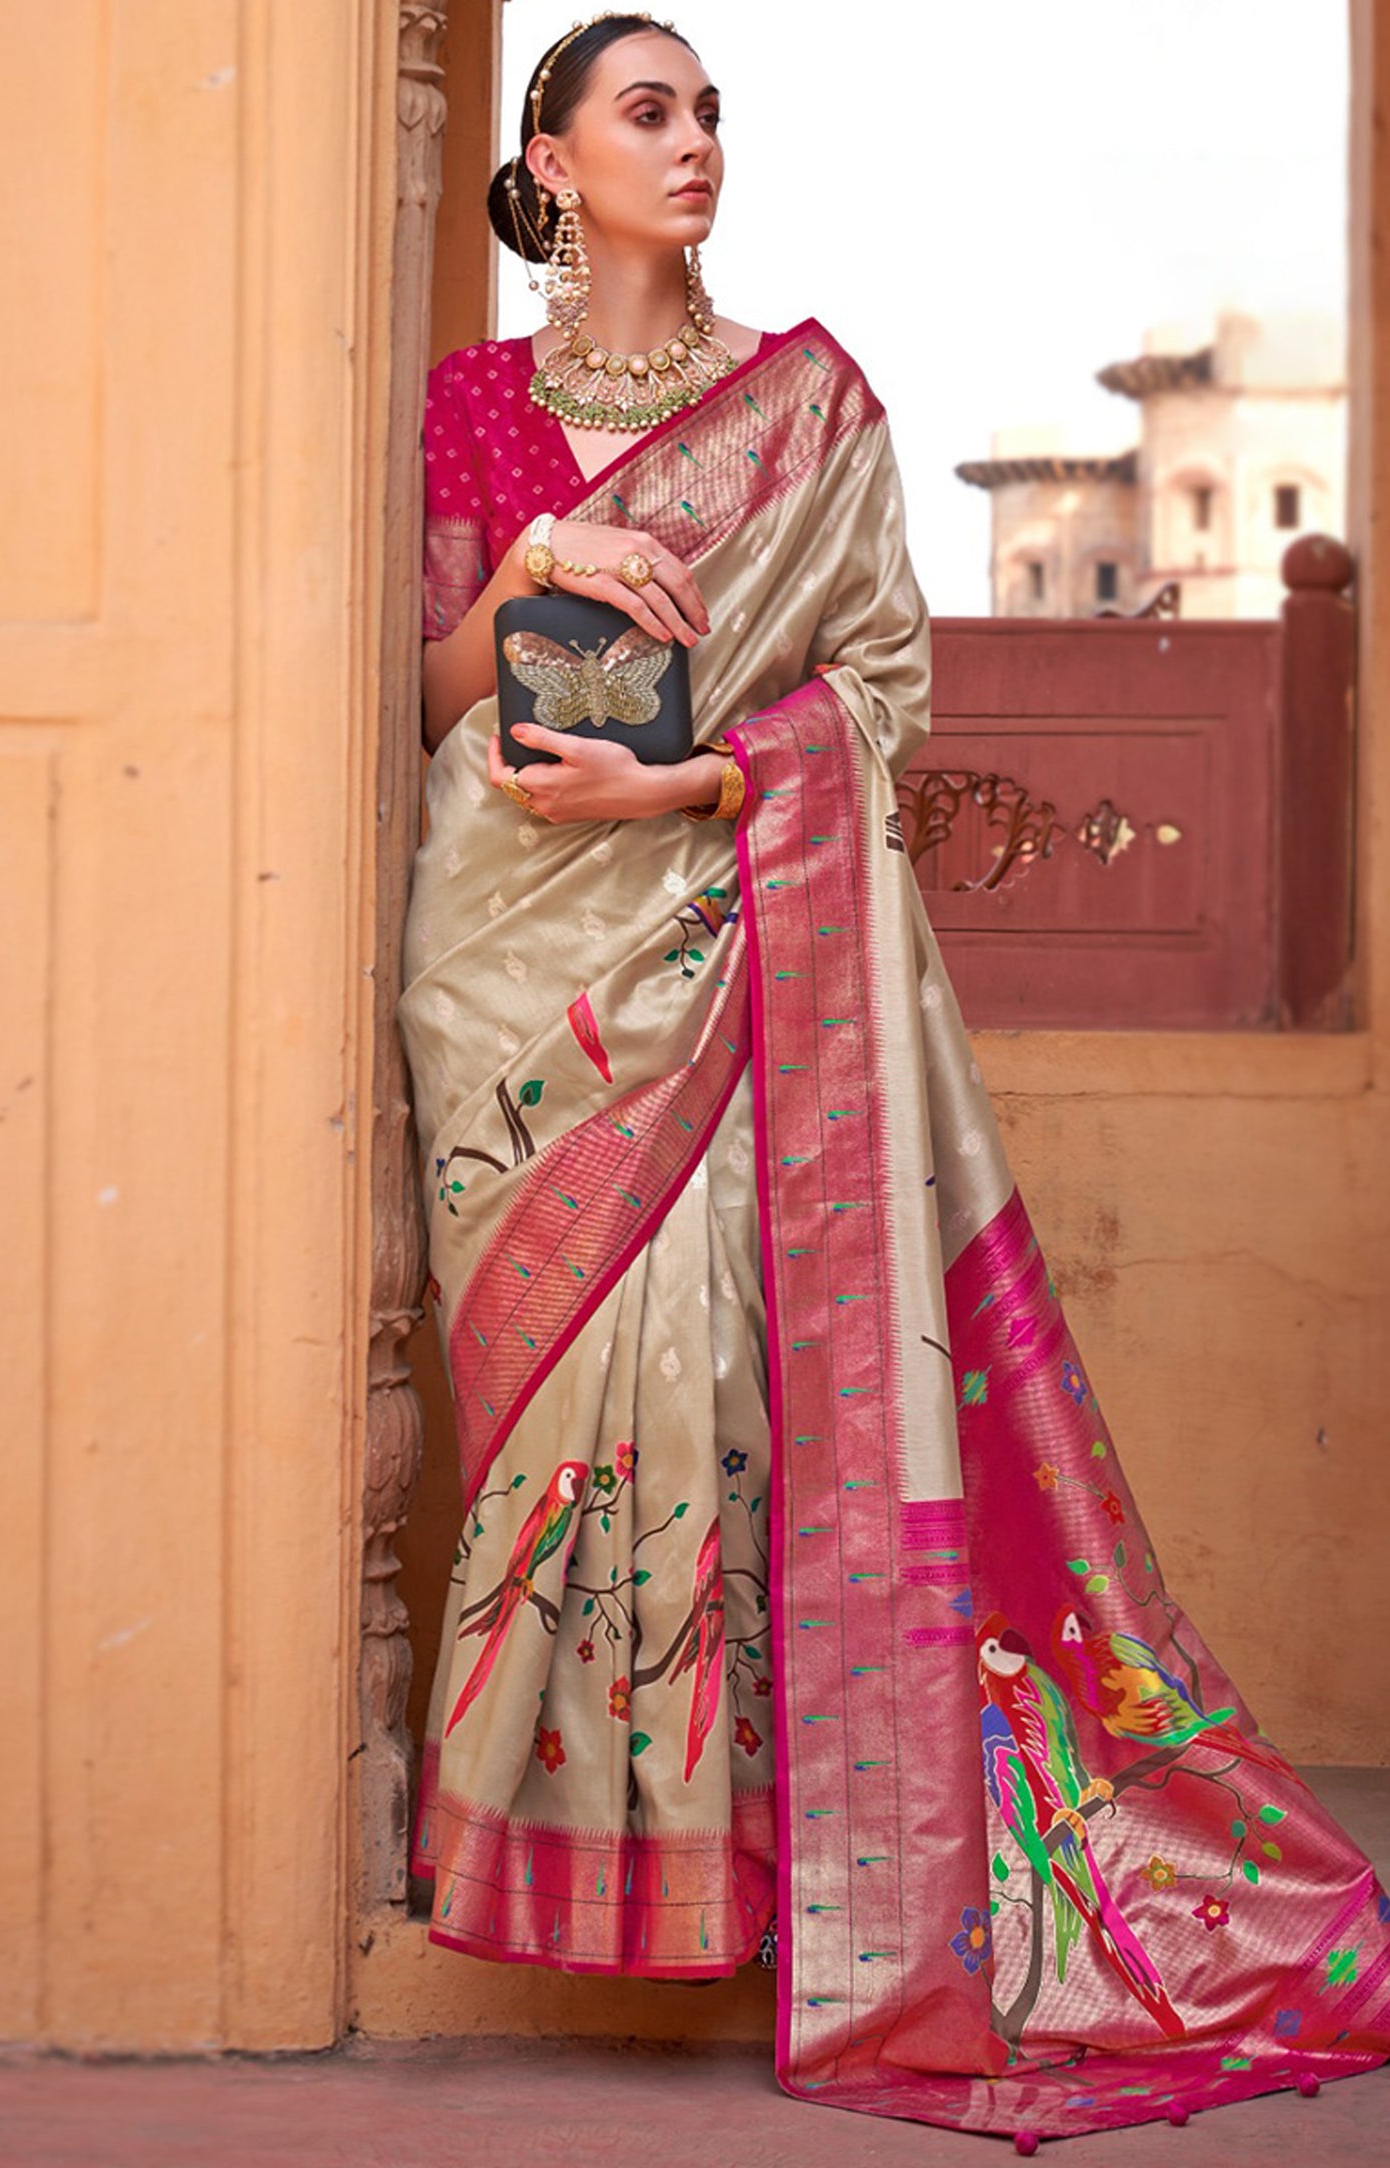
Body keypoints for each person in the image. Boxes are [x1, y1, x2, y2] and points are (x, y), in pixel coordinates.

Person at [395, 13, 1390, 2146]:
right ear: (551, 162)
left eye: (711, 111)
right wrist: (528, 570)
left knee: (740, 1381)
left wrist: (688, 775)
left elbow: (880, 689)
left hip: (729, 916)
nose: (697, 144)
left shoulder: (817, 404)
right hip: (515, 975)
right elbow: (424, 686)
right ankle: (564, 1852)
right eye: (648, 112)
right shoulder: (476, 399)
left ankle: (771, 1867)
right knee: (565, 1410)